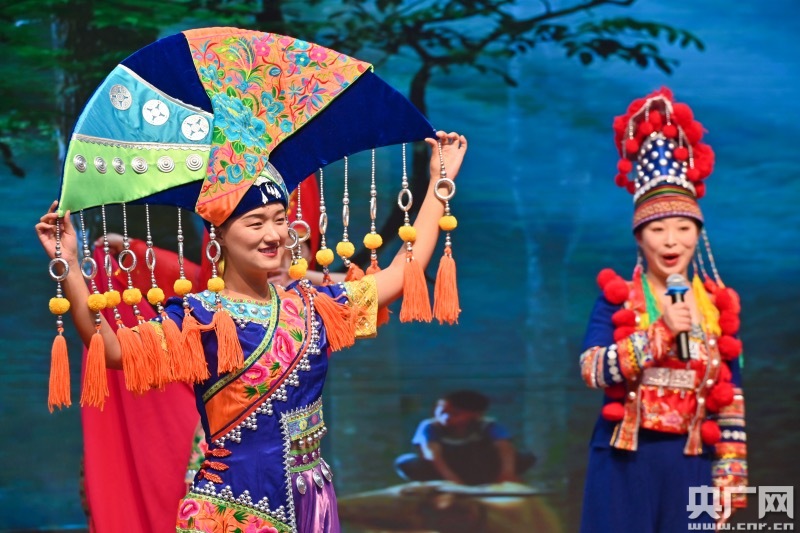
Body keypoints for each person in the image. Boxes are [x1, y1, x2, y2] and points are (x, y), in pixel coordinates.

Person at [37, 129, 467, 532]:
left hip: (311, 503)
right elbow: (111, 349)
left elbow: (403, 272)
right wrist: (70, 264)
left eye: (280, 220)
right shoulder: (203, 317)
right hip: (233, 511)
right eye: (256, 223)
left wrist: (438, 182)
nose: (273, 235)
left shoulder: (312, 305)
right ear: (220, 235)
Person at [578, 88, 747, 532]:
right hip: (625, 459)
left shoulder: (717, 306)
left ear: (698, 234)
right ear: (639, 237)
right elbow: (593, 369)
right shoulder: (618, 298)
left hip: (692, 462)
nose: (671, 241)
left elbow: (731, 396)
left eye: (683, 227)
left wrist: (729, 480)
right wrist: (660, 333)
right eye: (658, 229)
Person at [395, 390, 535, 486]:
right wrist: (453, 481)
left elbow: (504, 447)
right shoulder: (430, 427)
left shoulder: (487, 425)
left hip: (479, 467)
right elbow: (433, 456)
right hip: (443, 469)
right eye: (442, 412)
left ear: (475, 414)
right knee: (406, 462)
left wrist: (507, 473)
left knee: (524, 457)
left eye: (455, 414)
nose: (446, 418)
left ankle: (490, 482)